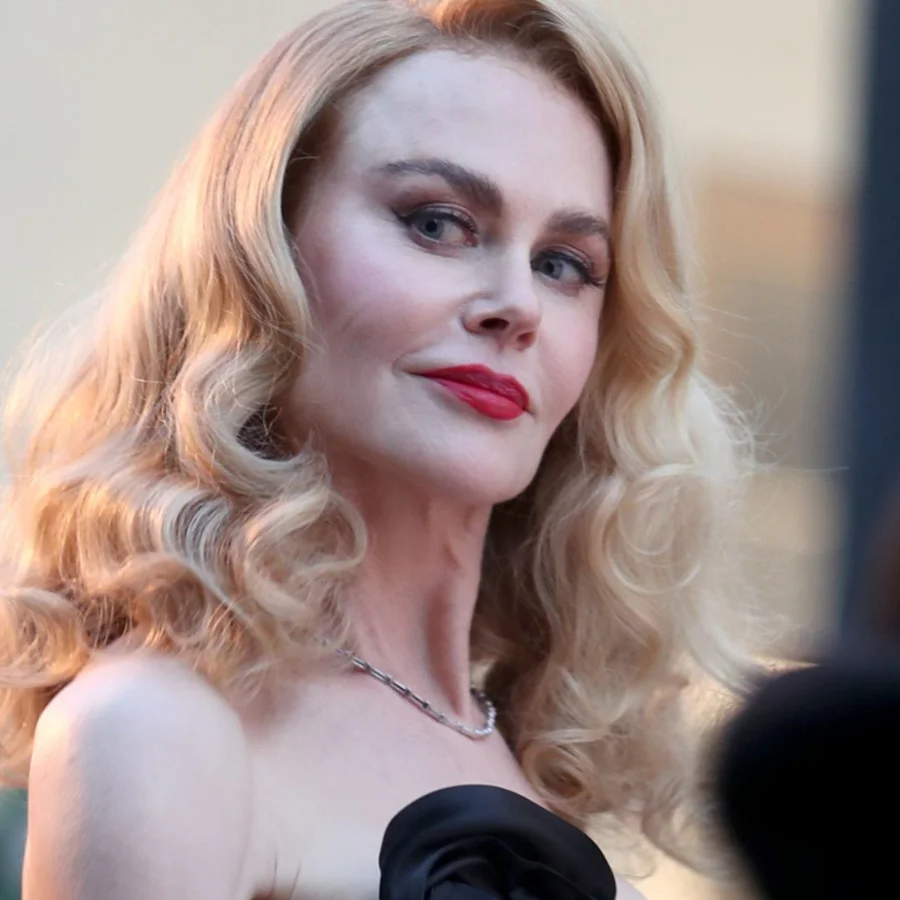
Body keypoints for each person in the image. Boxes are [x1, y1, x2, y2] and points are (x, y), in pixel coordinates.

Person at [0, 0, 752, 897]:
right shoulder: (159, 730)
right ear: (263, 253)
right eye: (437, 222)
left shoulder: (538, 761)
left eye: (564, 263)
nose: (517, 305)